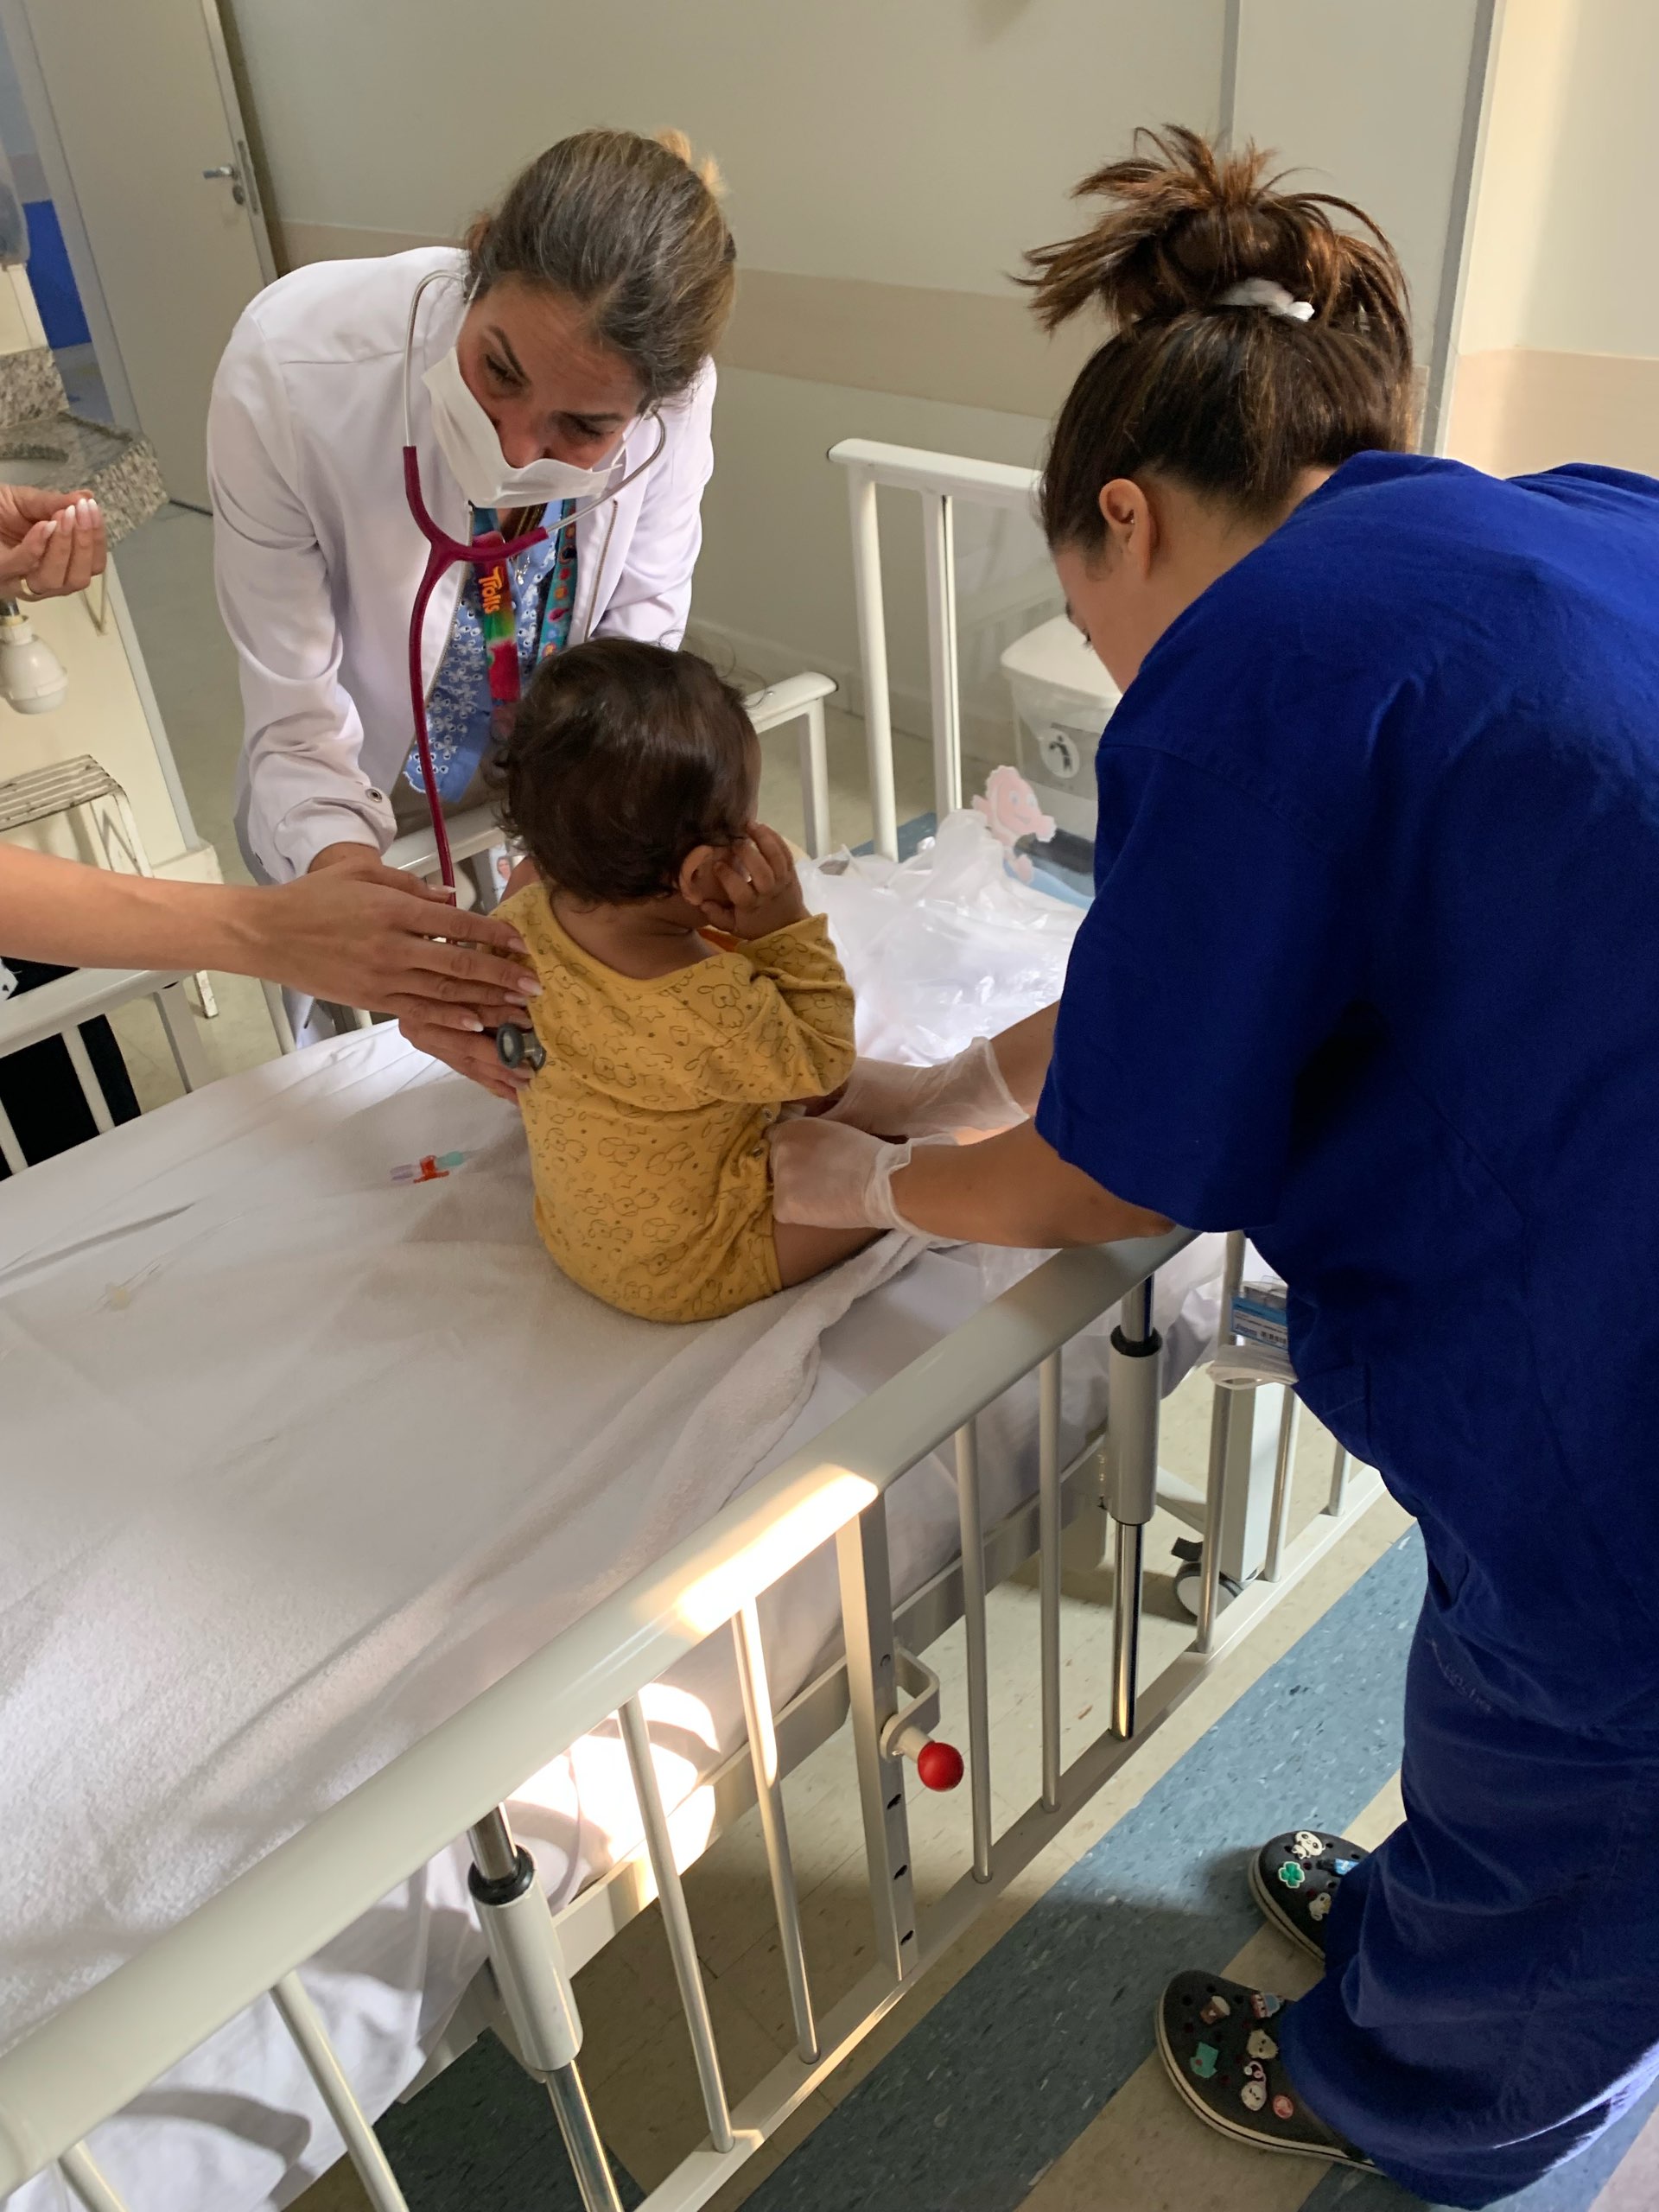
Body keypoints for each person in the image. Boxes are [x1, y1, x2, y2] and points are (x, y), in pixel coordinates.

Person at [770, 125, 1659, 2206]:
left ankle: (1435, 2096)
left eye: (1090, 624)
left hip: (1617, 1382)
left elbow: (1110, 1172)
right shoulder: (1572, 518)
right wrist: (931, 1081)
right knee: (1507, 1687)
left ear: (1124, 515)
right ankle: (1434, 1924)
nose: (1115, 672)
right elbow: (1220, 962)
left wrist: (865, 1191)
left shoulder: (1250, 668)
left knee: (1582, 1747)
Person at [208, 126, 734, 1066]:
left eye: (583, 426)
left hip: (551, 775)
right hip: (358, 773)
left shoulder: (676, 405)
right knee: (368, 1060)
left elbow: (635, 645)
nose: (516, 446)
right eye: (499, 371)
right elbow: (294, 716)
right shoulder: (292, 365)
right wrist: (358, 891)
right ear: (479, 257)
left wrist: (566, 859)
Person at [493, 637, 862, 1321]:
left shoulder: (517, 920)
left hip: (575, 1234)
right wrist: (783, 929)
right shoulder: (705, 1001)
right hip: (695, 1266)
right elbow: (825, 1065)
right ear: (696, 874)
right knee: (895, 1175)